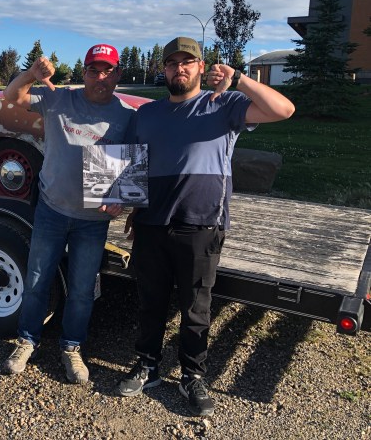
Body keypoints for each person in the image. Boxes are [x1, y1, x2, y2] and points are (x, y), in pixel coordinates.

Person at [116, 37, 295, 415]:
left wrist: (239, 79)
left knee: (196, 307)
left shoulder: (224, 104)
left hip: (202, 223)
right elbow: (132, 165)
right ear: (163, 69)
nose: (179, 68)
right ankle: (147, 365)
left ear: (201, 67)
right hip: (151, 223)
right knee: (150, 301)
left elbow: (284, 109)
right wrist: (129, 207)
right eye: (172, 63)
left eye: (187, 62)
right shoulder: (146, 114)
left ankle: (192, 375)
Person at [2, 44, 134, 384]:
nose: (100, 77)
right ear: (84, 73)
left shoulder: (126, 116)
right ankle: (26, 341)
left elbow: (132, 162)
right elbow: (11, 96)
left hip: (93, 221)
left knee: (81, 290)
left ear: (118, 75)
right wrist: (31, 75)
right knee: (36, 281)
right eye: (94, 70)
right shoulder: (58, 99)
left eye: (108, 71)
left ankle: (72, 347)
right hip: (52, 210)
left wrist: (122, 198)